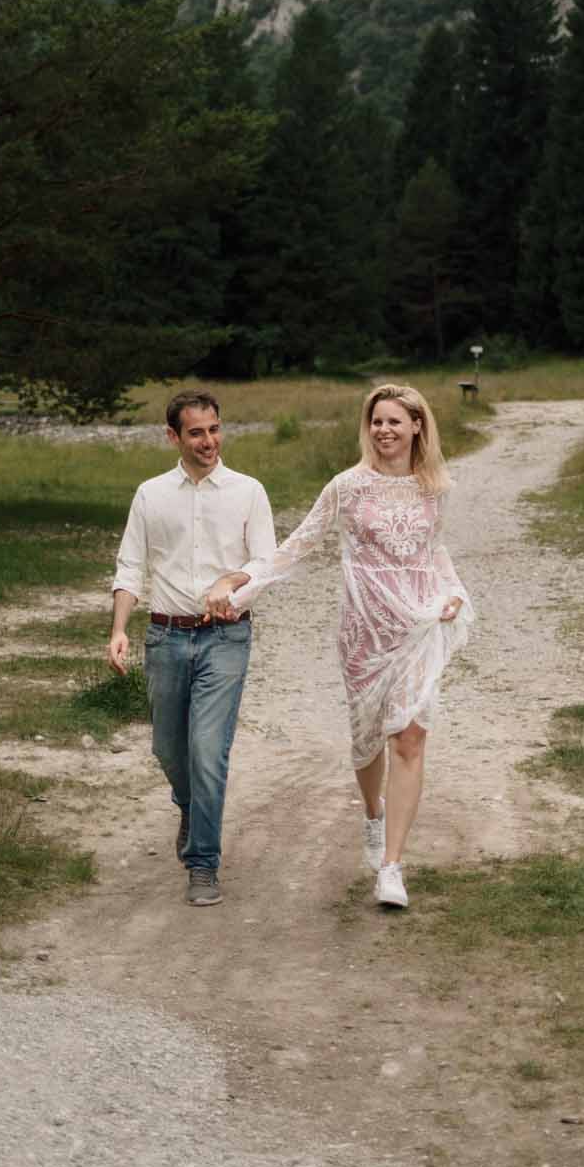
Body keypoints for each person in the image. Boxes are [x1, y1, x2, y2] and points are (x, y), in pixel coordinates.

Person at [206, 380, 471, 911]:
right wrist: (244, 585)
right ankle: (372, 814)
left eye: (395, 421)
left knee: (410, 738)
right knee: (369, 740)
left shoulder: (435, 485)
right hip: (364, 631)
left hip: (419, 625)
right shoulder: (346, 487)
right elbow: (297, 545)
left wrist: (454, 592)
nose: (384, 430)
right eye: (377, 421)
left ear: (417, 426)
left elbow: (434, 550)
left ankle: (392, 868)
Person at [107, 389, 277, 905]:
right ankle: (190, 805)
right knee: (168, 748)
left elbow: (268, 564)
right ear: (173, 437)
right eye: (197, 432)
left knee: (207, 752)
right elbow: (130, 566)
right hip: (165, 636)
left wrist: (235, 580)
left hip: (226, 638)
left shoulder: (249, 492)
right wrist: (118, 629)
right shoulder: (151, 494)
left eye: (215, 429)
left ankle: (203, 863)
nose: (209, 441)